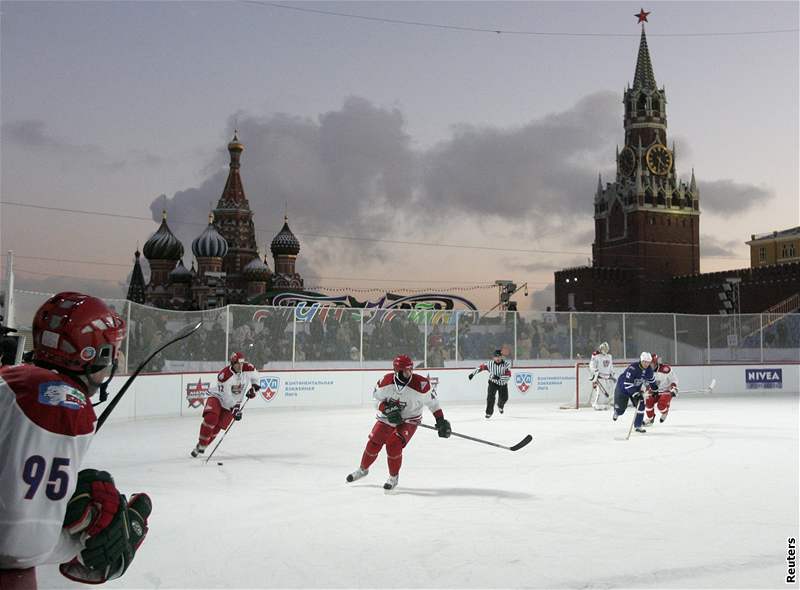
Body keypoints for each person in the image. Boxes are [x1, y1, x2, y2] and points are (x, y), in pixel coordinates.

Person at [0, 292, 151, 589]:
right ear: (94, 354)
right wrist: (82, 544)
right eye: (111, 349)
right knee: (100, 497)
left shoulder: (12, 377)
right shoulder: (64, 405)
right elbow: (17, 543)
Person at [345, 354, 451, 490]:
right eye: (405, 370)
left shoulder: (421, 384)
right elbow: (375, 400)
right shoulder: (386, 381)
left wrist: (441, 421)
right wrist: (386, 409)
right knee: (373, 443)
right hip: (388, 417)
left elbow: (433, 403)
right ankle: (363, 469)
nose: (409, 373)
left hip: (410, 419)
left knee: (393, 443)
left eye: (410, 369)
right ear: (397, 371)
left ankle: (393, 477)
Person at [191, 351, 260, 457]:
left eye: (242, 363)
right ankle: (202, 443)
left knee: (218, 427)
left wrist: (254, 388)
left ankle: (201, 447)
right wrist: (234, 409)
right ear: (232, 363)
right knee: (211, 418)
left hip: (234, 403)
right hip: (218, 397)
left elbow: (256, 377)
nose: (240, 366)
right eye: (238, 364)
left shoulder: (249, 368)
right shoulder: (224, 376)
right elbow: (226, 396)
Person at [613, 351, 656, 433]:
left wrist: (655, 390)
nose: (646, 364)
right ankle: (617, 412)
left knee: (641, 404)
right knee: (621, 410)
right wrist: (636, 394)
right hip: (623, 388)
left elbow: (652, 381)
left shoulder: (649, 369)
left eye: (648, 362)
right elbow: (627, 384)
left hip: (635, 389)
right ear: (641, 360)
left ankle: (638, 426)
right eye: (645, 362)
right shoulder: (633, 368)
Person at [469, 348, 512, 419]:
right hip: (493, 383)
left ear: (502, 357)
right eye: (496, 357)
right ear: (493, 358)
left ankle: (500, 405)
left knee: (504, 398)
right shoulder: (489, 364)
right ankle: (489, 412)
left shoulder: (506, 364)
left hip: (503, 383)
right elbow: (480, 368)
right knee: (490, 397)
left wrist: (498, 378)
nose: (497, 358)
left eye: (499, 357)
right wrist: (472, 374)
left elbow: (508, 375)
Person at [644, 354, 679, 425]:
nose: (649, 366)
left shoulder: (666, 369)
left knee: (661, 405)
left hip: (665, 391)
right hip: (654, 391)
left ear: (656, 363)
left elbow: (674, 380)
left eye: (651, 364)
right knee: (648, 402)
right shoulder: (645, 371)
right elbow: (645, 383)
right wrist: (645, 391)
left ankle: (665, 412)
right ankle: (650, 419)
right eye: (648, 364)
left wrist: (673, 389)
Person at [588, 341, 615, 410]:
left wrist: (612, 373)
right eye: (604, 349)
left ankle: (605, 404)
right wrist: (594, 370)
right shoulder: (596, 356)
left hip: (607, 378)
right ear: (601, 349)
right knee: (599, 392)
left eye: (606, 349)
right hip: (599, 378)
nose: (605, 350)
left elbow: (611, 366)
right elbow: (591, 365)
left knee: (608, 392)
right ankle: (595, 404)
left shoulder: (609, 356)